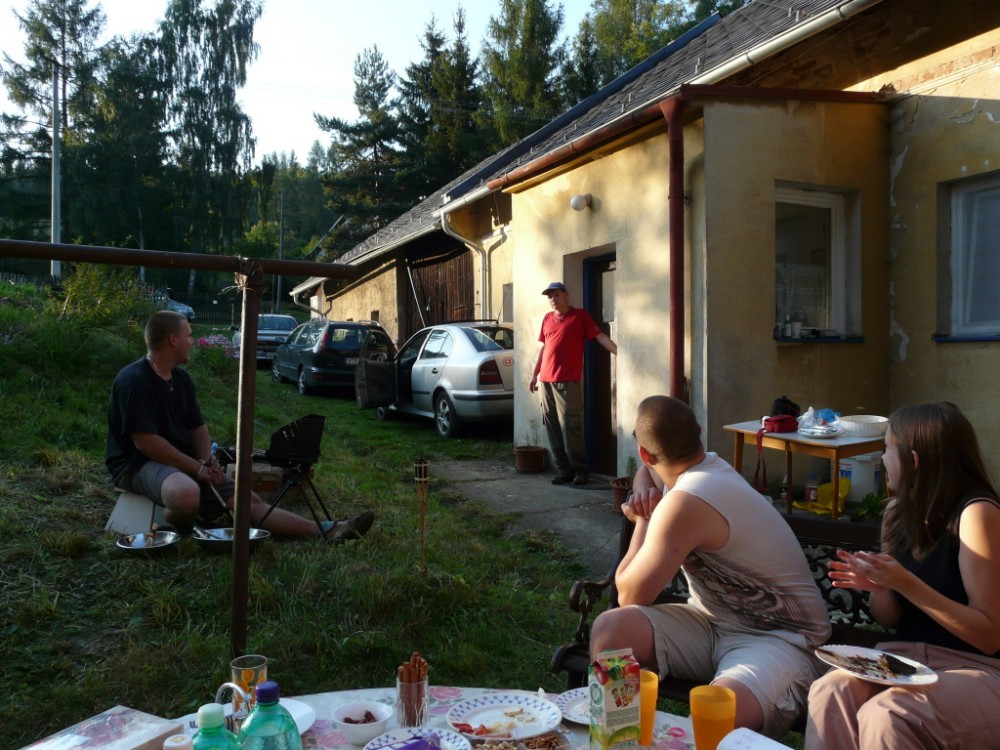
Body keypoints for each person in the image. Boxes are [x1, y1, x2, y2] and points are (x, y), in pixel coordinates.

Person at [590, 395, 831, 739]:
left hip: (782, 641)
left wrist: (643, 519)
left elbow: (629, 594)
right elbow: (648, 472)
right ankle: (619, 739)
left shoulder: (687, 501)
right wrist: (644, 490)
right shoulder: (706, 466)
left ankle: (624, 737)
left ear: (644, 452)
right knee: (611, 631)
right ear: (699, 432)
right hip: (710, 624)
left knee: (713, 720)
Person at [805, 402, 1000, 749]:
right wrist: (880, 586)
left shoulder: (976, 514)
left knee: (888, 714)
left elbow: (989, 637)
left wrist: (906, 584)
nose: (882, 459)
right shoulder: (897, 512)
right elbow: (890, 617)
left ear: (913, 460)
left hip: (976, 669)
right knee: (830, 690)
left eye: (886, 449)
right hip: (906, 660)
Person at [106, 310, 374, 541]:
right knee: (185, 494)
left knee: (245, 501)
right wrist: (197, 469)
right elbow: (147, 444)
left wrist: (207, 461)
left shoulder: (181, 379)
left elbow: (197, 427)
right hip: (137, 464)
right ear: (173, 340)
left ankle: (329, 530)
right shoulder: (135, 381)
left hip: (184, 463)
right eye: (188, 335)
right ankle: (184, 527)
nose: (192, 341)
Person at [529, 281, 617, 486]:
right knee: (552, 427)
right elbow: (544, 348)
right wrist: (535, 375)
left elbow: (600, 336)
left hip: (567, 382)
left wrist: (619, 352)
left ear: (566, 295)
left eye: (556, 295)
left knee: (572, 426)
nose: (553, 299)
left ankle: (580, 470)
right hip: (546, 382)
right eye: (550, 296)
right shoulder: (547, 318)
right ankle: (564, 470)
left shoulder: (580, 316)